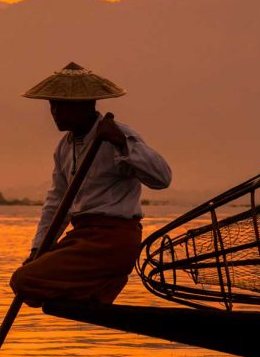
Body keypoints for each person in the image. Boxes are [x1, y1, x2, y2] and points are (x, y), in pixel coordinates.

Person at [10, 62, 172, 307]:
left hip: (112, 239)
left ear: (85, 106)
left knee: (23, 281)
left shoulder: (119, 135)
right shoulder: (64, 147)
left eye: (61, 105)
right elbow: (57, 204)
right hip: (82, 236)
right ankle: (99, 287)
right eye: (52, 105)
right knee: (30, 294)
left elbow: (162, 178)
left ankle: (103, 281)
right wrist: (38, 249)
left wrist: (121, 143)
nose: (54, 112)